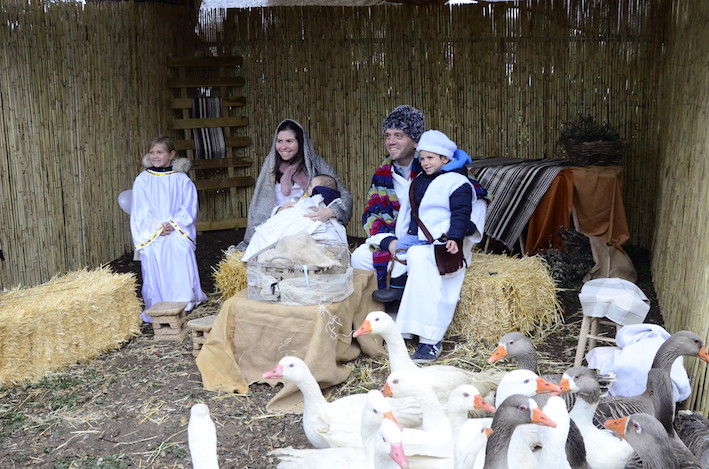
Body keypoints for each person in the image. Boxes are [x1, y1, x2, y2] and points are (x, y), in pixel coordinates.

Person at [382, 130, 487, 363]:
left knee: (420, 258)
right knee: (406, 254)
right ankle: (405, 325)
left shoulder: (459, 183)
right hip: (422, 242)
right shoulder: (420, 181)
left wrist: (455, 238)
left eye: (431, 158)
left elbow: (462, 215)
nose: (425, 162)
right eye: (423, 158)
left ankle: (430, 340)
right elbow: (415, 214)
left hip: (447, 246)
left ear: (445, 159)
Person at [240, 119, 352, 248]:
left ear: (300, 143)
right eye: (279, 141)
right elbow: (260, 205)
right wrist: (278, 211)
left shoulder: (316, 165)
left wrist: (330, 212)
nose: (283, 147)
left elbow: (345, 196)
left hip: (306, 226)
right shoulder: (270, 166)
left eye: (289, 141)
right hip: (277, 226)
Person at [130, 136, 208, 322]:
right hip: (154, 232)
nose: (155, 156)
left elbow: (189, 206)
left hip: (177, 230)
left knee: (180, 252)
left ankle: (184, 300)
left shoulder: (181, 179)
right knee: (155, 254)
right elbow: (140, 209)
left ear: (171, 154)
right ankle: (159, 302)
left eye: (160, 152)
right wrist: (157, 228)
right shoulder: (142, 180)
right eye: (152, 152)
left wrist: (173, 224)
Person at [350, 105, 425, 291]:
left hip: (424, 243)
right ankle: (377, 311)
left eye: (398, 135)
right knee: (359, 256)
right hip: (393, 242)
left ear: (415, 141)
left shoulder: (431, 170)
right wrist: (390, 243)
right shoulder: (382, 175)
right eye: (388, 135)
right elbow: (372, 214)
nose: (390, 141)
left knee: (418, 259)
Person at [242, 174, 348, 261]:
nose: (308, 188)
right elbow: (293, 211)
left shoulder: (322, 202)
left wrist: (330, 211)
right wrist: (281, 210)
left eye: (311, 186)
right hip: (296, 220)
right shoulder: (302, 200)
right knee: (274, 230)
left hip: (314, 227)